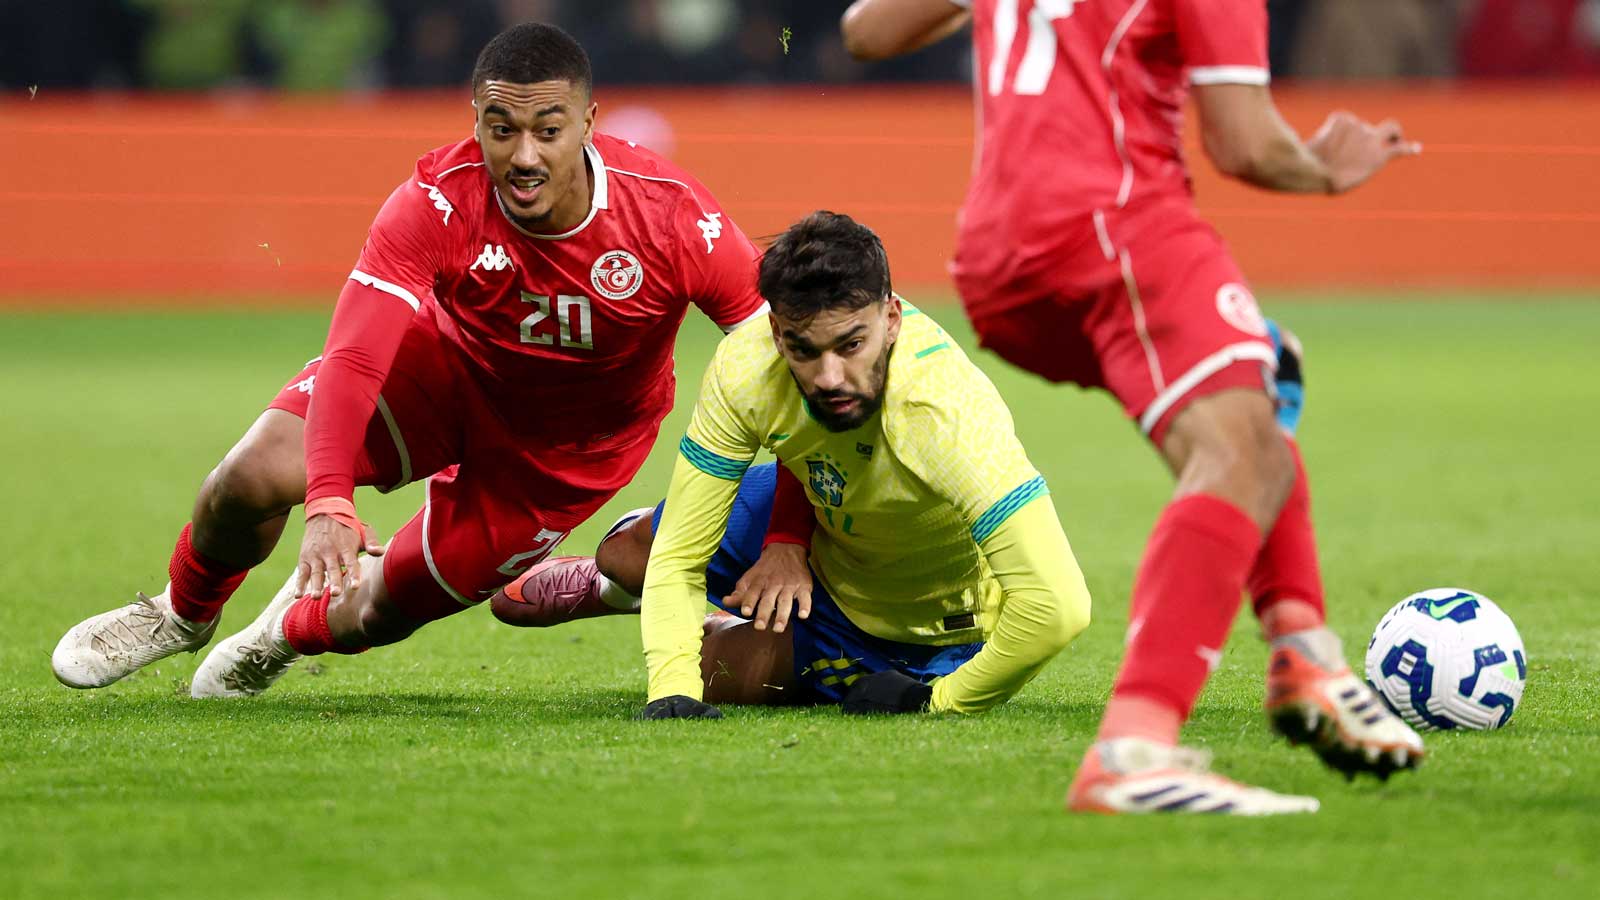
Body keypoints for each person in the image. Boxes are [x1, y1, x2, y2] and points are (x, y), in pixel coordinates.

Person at [50, 22, 768, 698]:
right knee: (249, 476)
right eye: (501, 129)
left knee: (377, 613)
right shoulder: (433, 198)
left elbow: (771, 350)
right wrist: (331, 498)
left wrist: (790, 523)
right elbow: (356, 356)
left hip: (563, 453)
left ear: (587, 123)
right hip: (446, 373)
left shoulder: (672, 219)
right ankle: (181, 611)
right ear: (475, 120)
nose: (524, 156)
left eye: (548, 131)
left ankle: (285, 632)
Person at [840, 0, 1425, 814]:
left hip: (997, 264)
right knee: (1235, 443)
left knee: (1258, 380)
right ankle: (1136, 750)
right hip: (1112, 218)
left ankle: (1306, 654)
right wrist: (1326, 167)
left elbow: (866, 31)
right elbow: (1243, 142)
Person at [498, 211, 1092, 717]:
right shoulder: (746, 365)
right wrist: (670, 690)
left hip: (919, 624)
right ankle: (618, 590)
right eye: (804, 350)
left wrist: (938, 702)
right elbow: (683, 553)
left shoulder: (944, 413)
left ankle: (723, 625)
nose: (829, 377)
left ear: (891, 319)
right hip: (830, 522)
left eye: (851, 346)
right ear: (778, 333)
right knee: (630, 554)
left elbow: (1058, 607)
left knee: (729, 676)